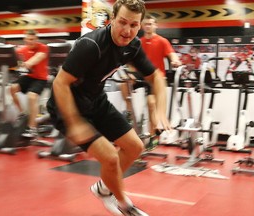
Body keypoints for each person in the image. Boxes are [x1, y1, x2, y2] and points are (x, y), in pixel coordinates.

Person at [47, 0, 171, 215]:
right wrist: (74, 121)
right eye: (122, 22)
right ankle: (125, 205)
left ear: (140, 25)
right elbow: (60, 83)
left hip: (96, 100)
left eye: (134, 25)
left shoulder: (133, 46)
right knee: (111, 157)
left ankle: (104, 187)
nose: (127, 30)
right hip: (67, 104)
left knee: (135, 147)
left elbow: (157, 78)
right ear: (112, 19)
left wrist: (160, 111)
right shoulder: (91, 45)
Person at [119, 14, 181, 150]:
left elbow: (171, 54)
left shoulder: (162, 41)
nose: (148, 26)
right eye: (146, 24)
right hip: (141, 76)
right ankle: (129, 113)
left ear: (155, 26)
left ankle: (154, 136)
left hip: (155, 79)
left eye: (151, 24)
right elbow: (130, 61)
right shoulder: (138, 42)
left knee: (151, 103)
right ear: (142, 26)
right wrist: (129, 70)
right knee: (124, 83)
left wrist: (175, 60)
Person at [10, 29, 49, 138]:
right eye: (28, 39)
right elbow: (13, 62)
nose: (30, 41)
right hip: (28, 77)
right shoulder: (21, 50)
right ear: (24, 39)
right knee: (12, 88)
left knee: (31, 97)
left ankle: (32, 128)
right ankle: (22, 113)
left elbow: (36, 59)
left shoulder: (43, 47)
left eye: (32, 39)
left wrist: (25, 64)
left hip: (40, 78)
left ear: (36, 39)